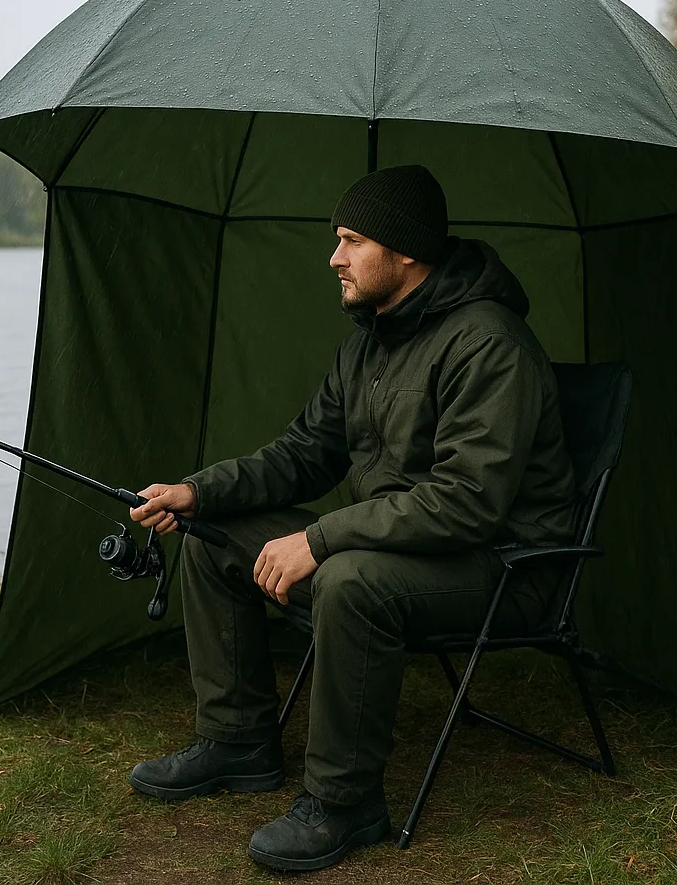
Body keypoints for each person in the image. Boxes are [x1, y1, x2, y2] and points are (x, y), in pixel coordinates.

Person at [128, 164, 576, 872]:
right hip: (404, 549)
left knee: (349, 582)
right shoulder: (370, 339)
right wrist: (198, 492)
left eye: (351, 240)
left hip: (504, 567)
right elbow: (305, 454)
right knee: (214, 540)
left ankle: (344, 803)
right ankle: (239, 741)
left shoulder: (489, 342)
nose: (334, 258)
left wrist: (319, 538)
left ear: (406, 251)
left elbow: (467, 502)